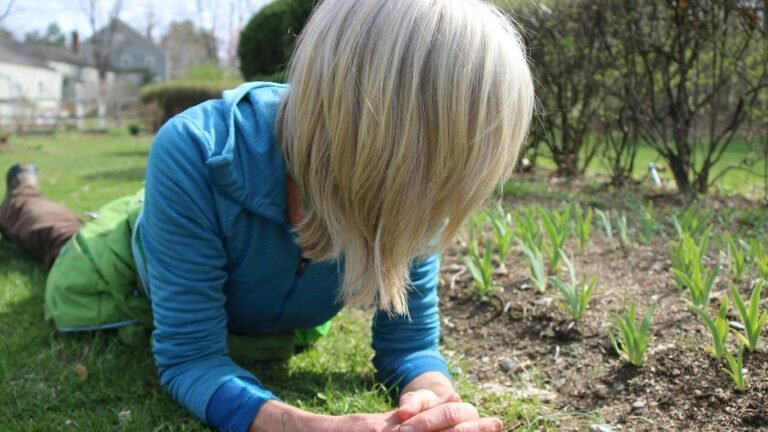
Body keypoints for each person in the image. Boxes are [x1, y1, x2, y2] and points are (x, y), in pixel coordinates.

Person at [0, 0, 534, 430]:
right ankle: (22, 191)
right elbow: (190, 358)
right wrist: (307, 425)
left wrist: (435, 401)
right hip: (126, 266)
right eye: (436, 166)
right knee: (54, 234)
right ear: (378, 133)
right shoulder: (194, 148)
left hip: (208, 255)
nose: (437, 200)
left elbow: (410, 346)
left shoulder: (423, 187)